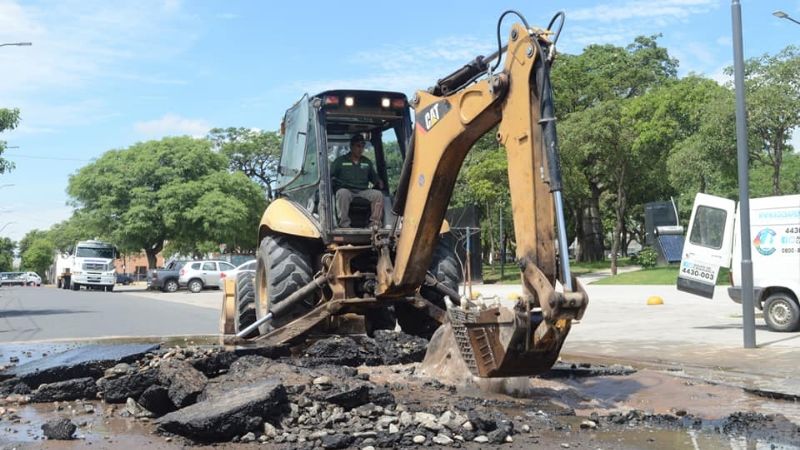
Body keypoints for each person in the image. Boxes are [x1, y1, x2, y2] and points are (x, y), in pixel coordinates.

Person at [330, 134, 384, 228]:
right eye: (358, 146)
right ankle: (344, 225)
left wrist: (379, 181)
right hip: (347, 190)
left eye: (362, 146)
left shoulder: (367, 162)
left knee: (378, 195)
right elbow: (330, 176)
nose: (361, 149)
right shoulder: (340, 161)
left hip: (363, 191)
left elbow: (374, 178)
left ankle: (374, 223)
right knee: (342, 193)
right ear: (351, 146)